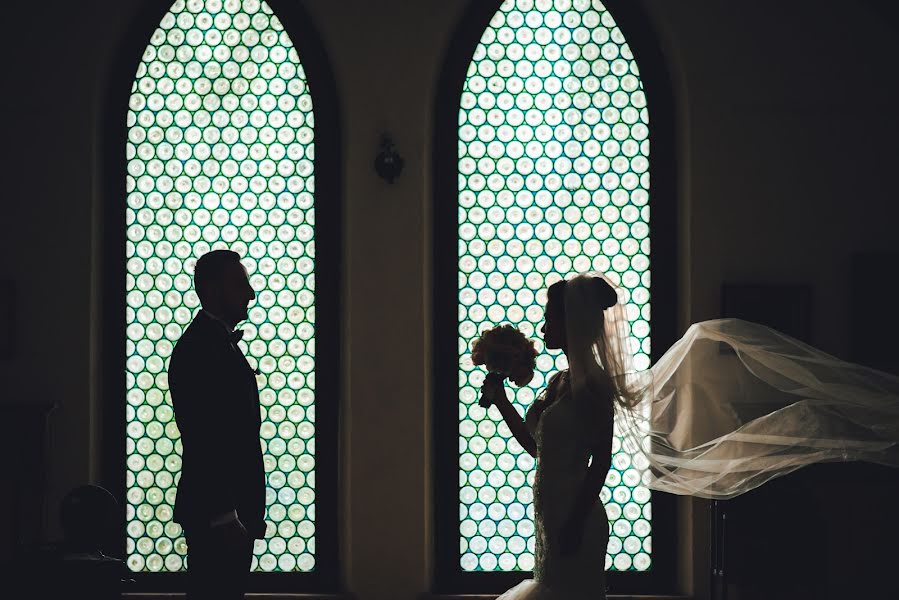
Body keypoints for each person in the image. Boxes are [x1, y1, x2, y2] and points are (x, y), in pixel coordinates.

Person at [480, 273, 635, 600]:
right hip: (551, 515)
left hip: (576, 520)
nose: (542, 329)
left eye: (549, 319)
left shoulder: (593, 386)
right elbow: (536, 447)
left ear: (571, 323)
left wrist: (575, 525)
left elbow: (601, 462)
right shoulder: (559, 381)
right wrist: (501, 400)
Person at [168, 249, 266, 600]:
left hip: (228, 510)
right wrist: (225, 513)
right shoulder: (200, 349)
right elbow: (205, 436)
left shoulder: (214, 343)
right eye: (240, 284)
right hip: (219, 513)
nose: (251, 293)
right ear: (211, 290)